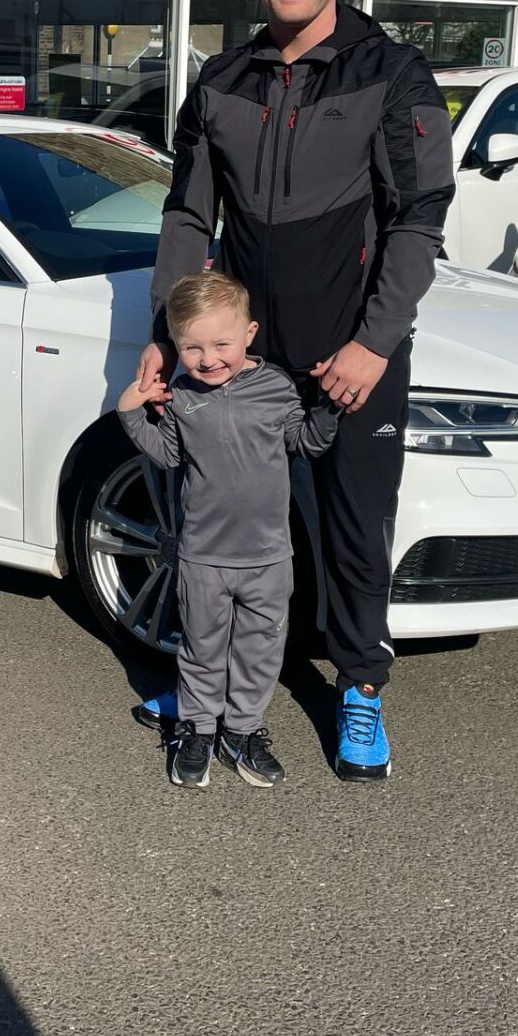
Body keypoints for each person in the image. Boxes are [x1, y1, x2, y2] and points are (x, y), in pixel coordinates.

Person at [133, 0, 457, 782]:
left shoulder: (390, 72)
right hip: (245, 355)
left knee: (355, 526)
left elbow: (418, 220)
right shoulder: (222, 79)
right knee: (227, 522)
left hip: (352, 348)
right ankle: (215, 686)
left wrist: (374, 343)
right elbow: (189, 217)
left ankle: (359, 690)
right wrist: (173, 330)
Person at [117, 271, 339, 789]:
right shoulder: (180, 394)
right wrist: (132, 413)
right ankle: (195, 728)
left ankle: (242, 730)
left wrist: (329, 405)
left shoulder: (275, 387)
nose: (208, 358)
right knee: (202, 647)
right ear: (176, 346)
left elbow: (305, 442)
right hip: (202, 557)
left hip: (267, 557)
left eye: (221, 343)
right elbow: (169, 454)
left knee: (260, 648)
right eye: (192, 347)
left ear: (249, 333)